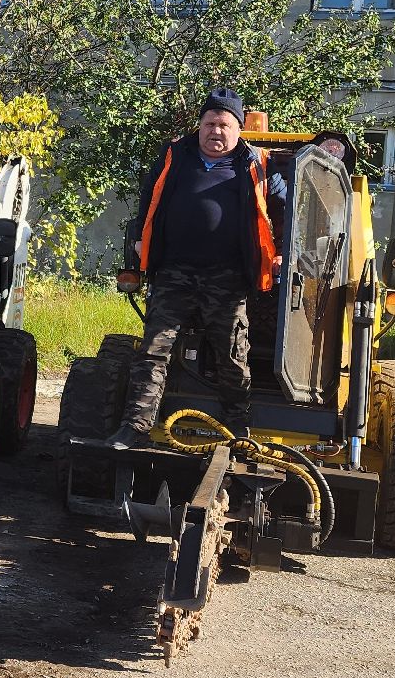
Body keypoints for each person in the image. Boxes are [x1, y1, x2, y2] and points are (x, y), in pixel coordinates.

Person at [109, 88, 288, 448]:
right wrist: (142, 236)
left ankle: (237, 427)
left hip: (228, 276)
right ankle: (136, 428)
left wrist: (283, 249)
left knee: (232, 354)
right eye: (209, 123)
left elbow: (288, 209)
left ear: (239, 128)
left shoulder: (257, 164)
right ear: (200, 125)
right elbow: (149, 198)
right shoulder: (176, 155)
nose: (215, 132)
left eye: (224, 125)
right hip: (174, 271)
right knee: (153, 352)